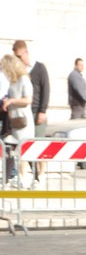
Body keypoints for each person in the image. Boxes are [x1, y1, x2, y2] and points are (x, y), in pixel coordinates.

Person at [12, 40, 50, 184]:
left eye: (19, 57)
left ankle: (41, 174)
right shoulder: (19, 72)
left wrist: (42, 110)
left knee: (38, 144)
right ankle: (30, 176)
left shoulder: (40, 68)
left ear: (26, 52)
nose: (18, 60)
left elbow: (46, 90)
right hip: (24, 114)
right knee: (25, 147)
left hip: (36, 112)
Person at [0, 54, 35, 188]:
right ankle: (18, 177)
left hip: (23, 121)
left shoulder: (24, 80)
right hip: (13, 121)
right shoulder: (13, 81)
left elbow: (28, 100)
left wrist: (11, 101)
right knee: (12, 149)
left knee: (23, 150)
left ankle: (26, 176)